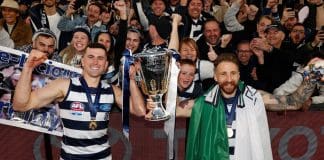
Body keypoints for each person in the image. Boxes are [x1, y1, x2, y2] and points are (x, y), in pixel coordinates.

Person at [13, 43, 146, 159]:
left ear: (106, 65)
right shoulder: (63, 85)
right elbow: (20, 105)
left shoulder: (112, 91)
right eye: (90, 57)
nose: (95, 62)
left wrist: (132, 80)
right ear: (82, 61)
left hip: (103, 157)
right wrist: (28, 68)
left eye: (100, 58)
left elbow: (139, 111)